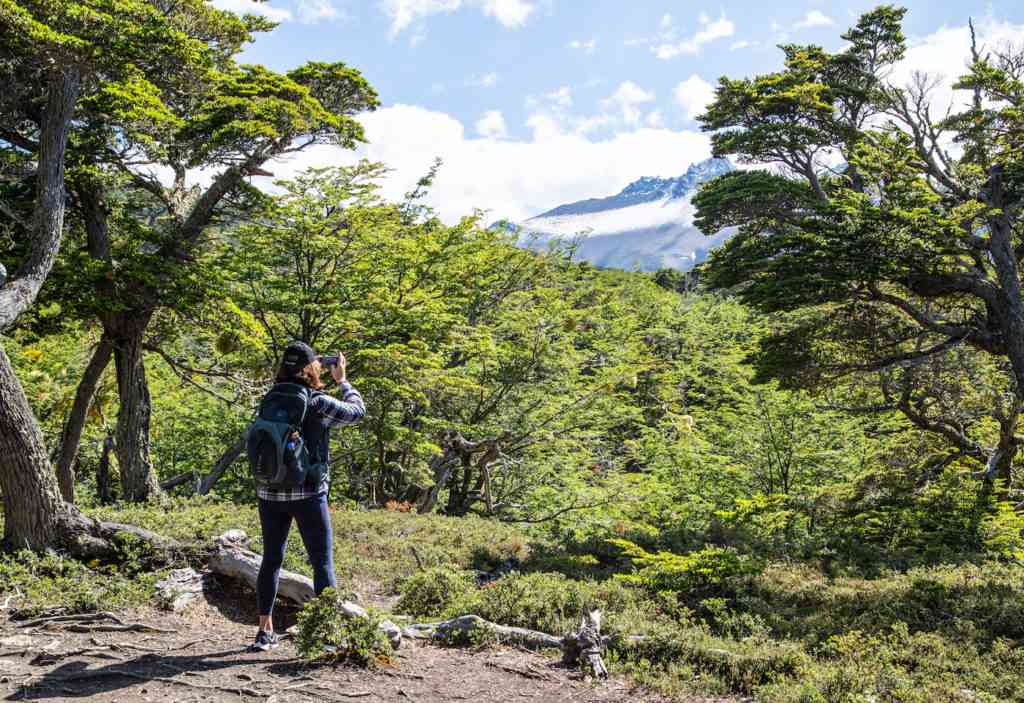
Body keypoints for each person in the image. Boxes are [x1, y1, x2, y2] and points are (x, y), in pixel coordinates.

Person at [251, 340, 365, 652]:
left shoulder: (270, 398)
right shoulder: (317, 401)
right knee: (321, 562)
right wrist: (343, 381)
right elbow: (357, 412)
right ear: (311, 368)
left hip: (269, 491)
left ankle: (264, 632)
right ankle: (327, 634)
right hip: (308, 492)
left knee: (271, 559)